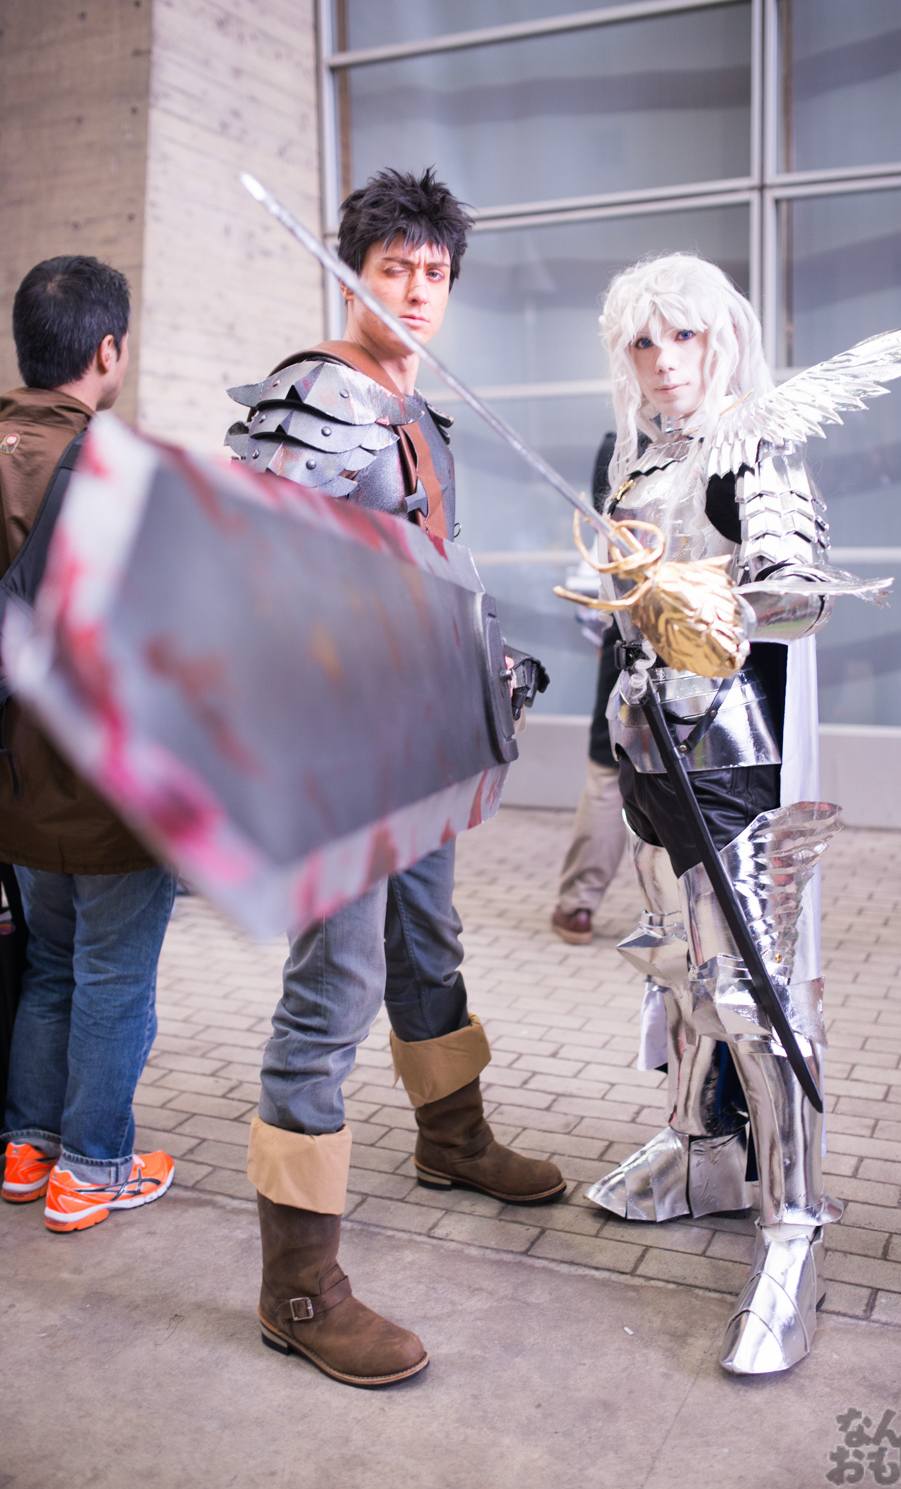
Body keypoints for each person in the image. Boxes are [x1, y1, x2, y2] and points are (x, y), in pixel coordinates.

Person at [226, 168, 565, 1389]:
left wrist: (483, 658)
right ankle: (297, 1287)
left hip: (422, 736)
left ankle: (450, 1138)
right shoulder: (318, 394)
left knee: (428, 945)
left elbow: (426, 564)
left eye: (433, 274)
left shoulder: (414, 406)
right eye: (392, 270)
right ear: (350, 273)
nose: (415, 292)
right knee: (334, 986)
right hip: (341, 753)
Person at [575, 253, 901, 1375]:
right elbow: (622, 604)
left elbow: (799, 593)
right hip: (647, 750)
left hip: (733, 762)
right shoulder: (634, 461)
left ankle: (791, 1227)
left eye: (682, 337)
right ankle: (699, 1149)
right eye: (642, 341)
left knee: (750, 996)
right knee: (676, 971)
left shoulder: (751, 450)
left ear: (720, 339)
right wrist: (623, 608)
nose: (663, 361)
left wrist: (711, 595)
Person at [0, 256, 176, 1231]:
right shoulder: (120, 469)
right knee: (113, 975)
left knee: (51, 966)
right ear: (109, 349)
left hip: (17, 784)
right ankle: (94, 1167)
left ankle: (28, 1149)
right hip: (108, 786)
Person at [551, 435, 628, 946]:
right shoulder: (622, 444)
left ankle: (579, 904)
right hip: (682, 628)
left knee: (609, 773)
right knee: (611, 769)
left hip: (638, 628)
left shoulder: (620, 443)